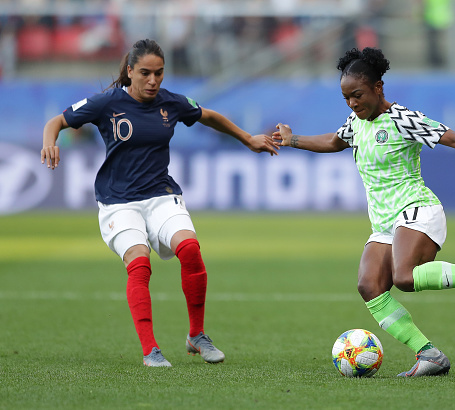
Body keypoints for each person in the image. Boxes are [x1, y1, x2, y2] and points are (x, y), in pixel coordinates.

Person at [273, 47, 455, 377]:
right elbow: (335, 141)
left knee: (404, 278)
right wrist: (294, 140)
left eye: (358, 95)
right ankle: (429, 355)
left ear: (378, 87)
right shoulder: (356, 121)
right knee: (370, 286)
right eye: (347, 97)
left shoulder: (402, 119)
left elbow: (452, 138)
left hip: (417, 210)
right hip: (385, 223)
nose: (352, 103)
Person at [41, 39, 278, 367]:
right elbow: (57, 121)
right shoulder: (106, 103)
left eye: (159, 73)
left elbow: (208, 115)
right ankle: (150, 349)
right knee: (140, 264)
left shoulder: (171, 103)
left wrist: (248, 138)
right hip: (118, 203)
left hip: (161, 196)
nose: (153, 81)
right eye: (145, 73)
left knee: (191, 250)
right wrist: (49, 142)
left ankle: (197, 336)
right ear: (129, 72)